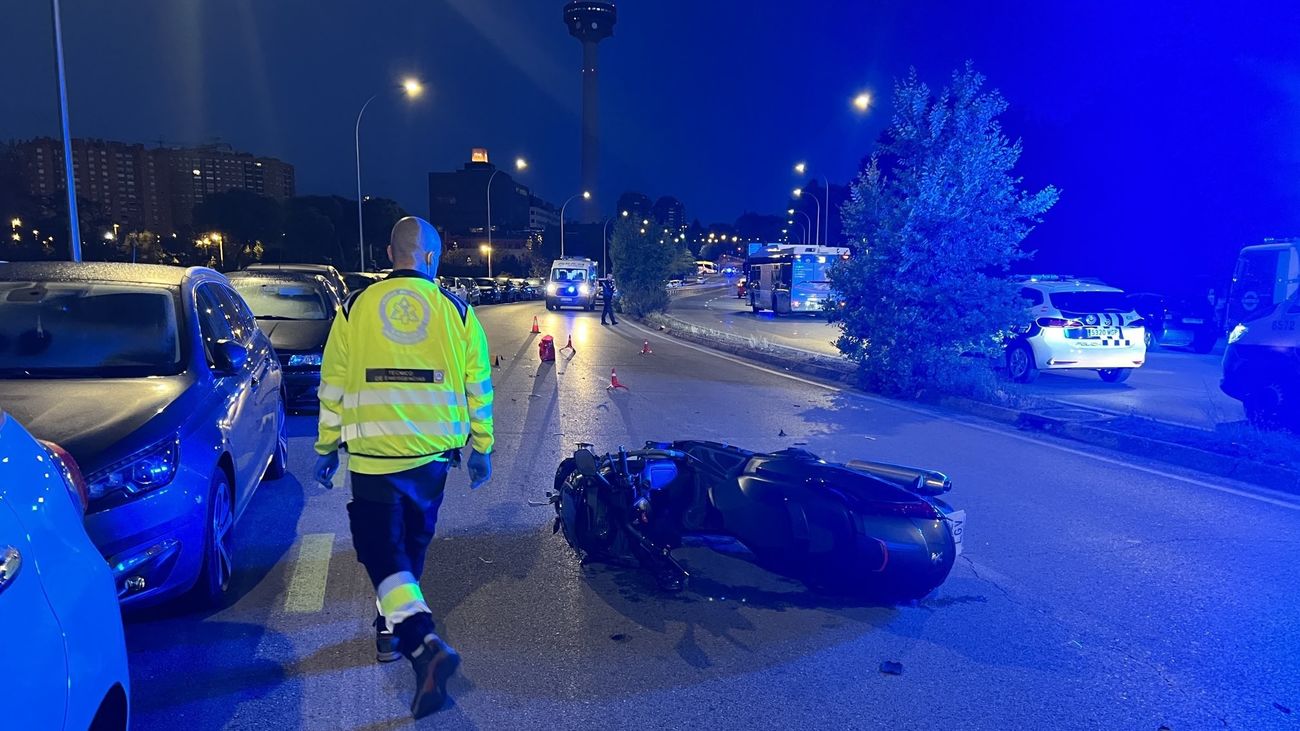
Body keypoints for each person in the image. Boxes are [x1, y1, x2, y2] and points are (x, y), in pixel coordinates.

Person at [314, 216, 494, 719]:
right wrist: (483, 447)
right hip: (432, 460)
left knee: (383, 551)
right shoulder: (457, 311)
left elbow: (333, 384)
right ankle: (394, 632)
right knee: (409, 546)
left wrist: (326, 447)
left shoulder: (354, 307)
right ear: (433, 257)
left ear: (391, 253)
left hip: (373, 457)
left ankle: (416, 639)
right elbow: (478, 386)